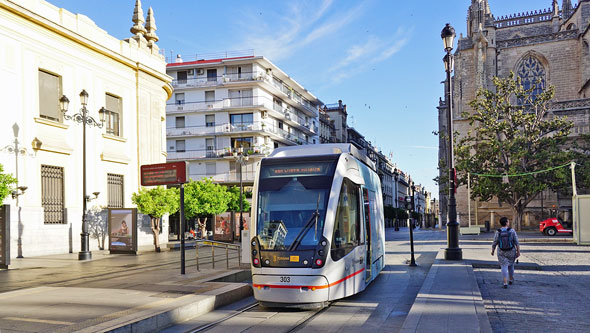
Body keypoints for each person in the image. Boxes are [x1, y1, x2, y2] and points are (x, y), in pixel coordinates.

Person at [491, 217, 520, 288]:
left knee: (504, 266)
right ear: (506, 223)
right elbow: (516, 242)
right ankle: (510, 279)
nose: (508, 222)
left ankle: (505, 282)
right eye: (508, 221)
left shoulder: (498, 231)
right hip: (511, 251)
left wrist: (493, 250)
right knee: (511, 266)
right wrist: (518, 251)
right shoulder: (512, 231)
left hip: (501, 251)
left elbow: (495, 242)